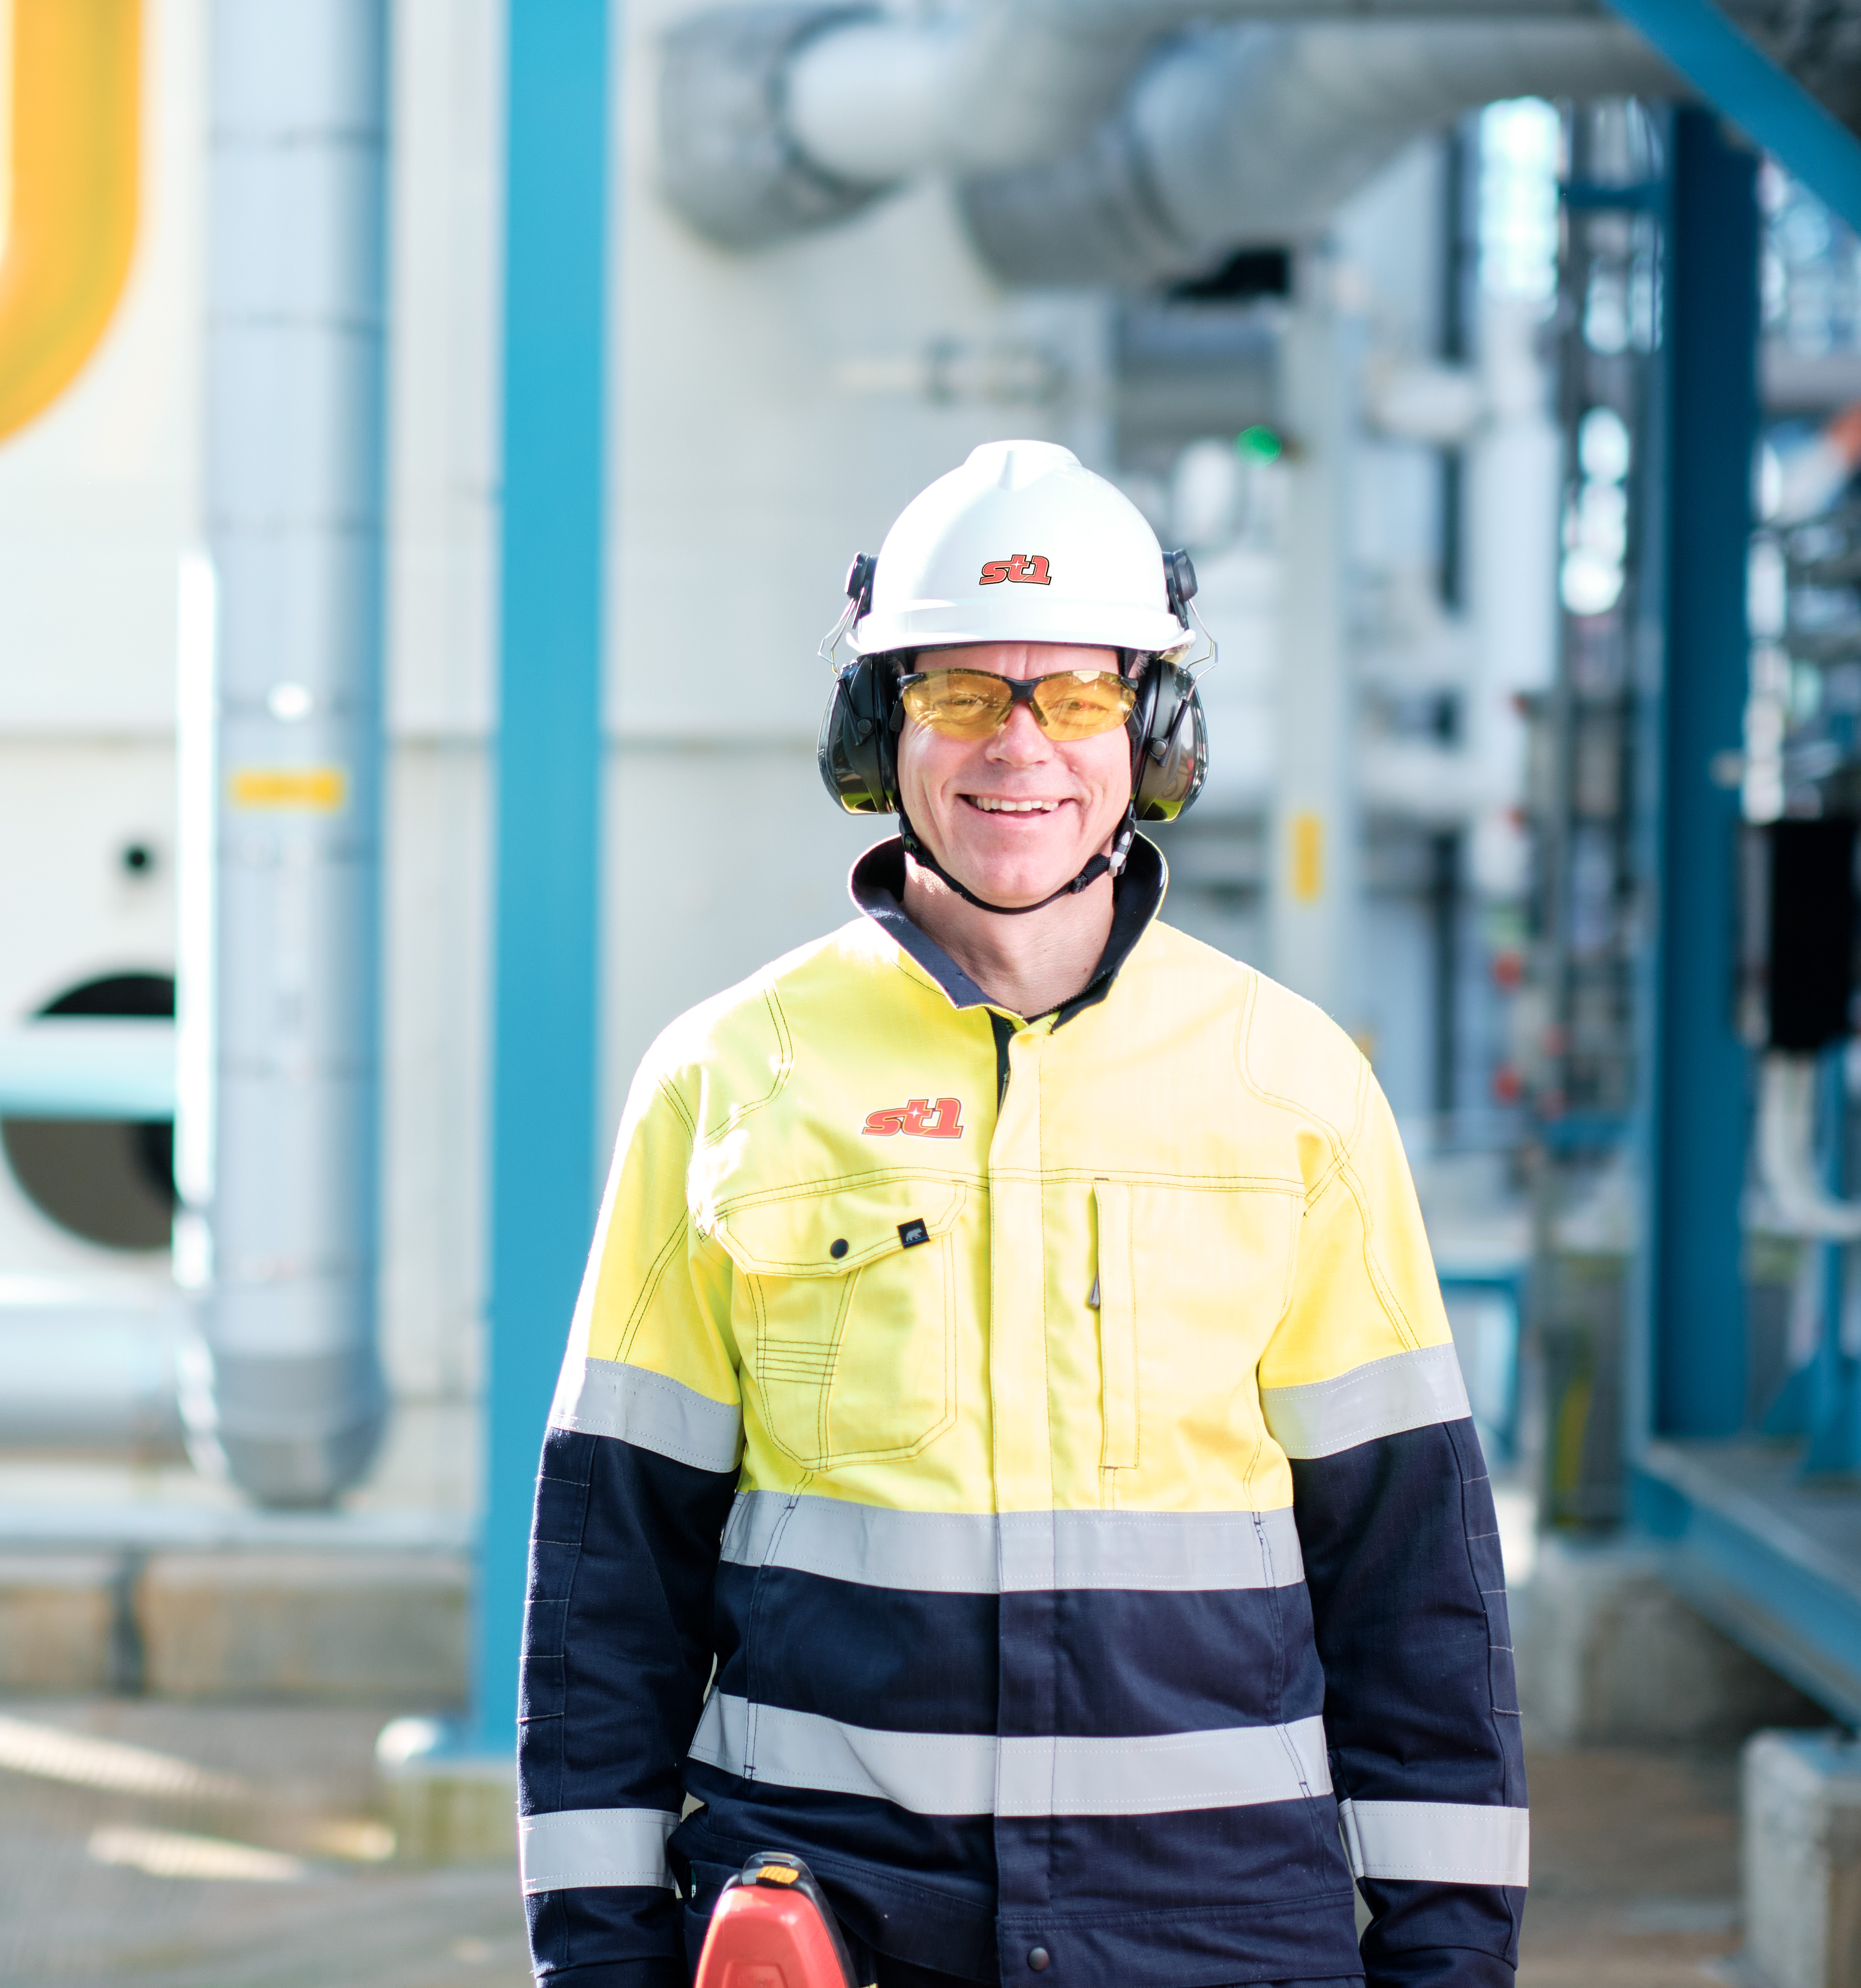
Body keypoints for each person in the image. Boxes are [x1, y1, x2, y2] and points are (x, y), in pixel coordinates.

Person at [515, 441, 1523, 1988]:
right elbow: (609, 1590)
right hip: (837, 1929)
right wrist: (598, 1962)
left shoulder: (1292, 1084)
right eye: (961, 695)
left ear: (1157, 729)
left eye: (1077, 697)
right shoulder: (730, 1077)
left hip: (1219, 1934)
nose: (1020, 752)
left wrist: (1450, 1964)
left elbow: (1416, 1590)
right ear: (880, 729)